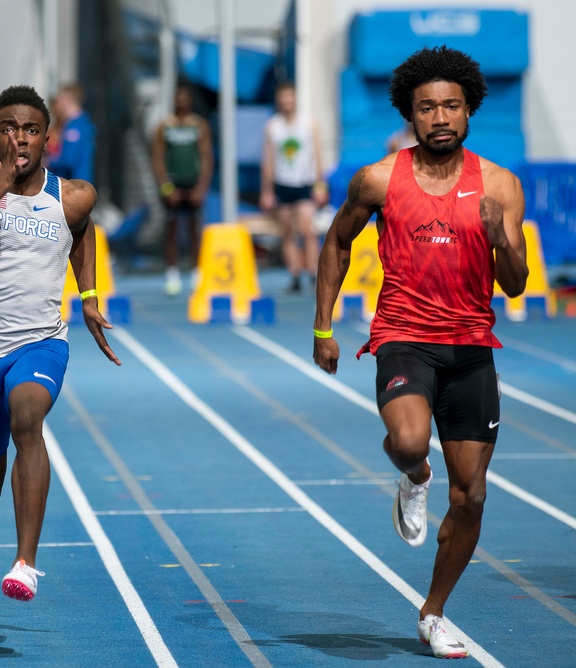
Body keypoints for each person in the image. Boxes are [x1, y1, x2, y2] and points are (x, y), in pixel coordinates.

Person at [312, 46, 527, 659]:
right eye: (427, 107)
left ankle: (433, 613)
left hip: (471, 349)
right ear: (410, 113)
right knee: (409, 442)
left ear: (469, 111)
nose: (440, 117)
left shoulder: (500, 186)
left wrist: (498, 239)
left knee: (473, 496)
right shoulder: (379, 178)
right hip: (404, 337)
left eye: (451, 106)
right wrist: (324, 326)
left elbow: (515, 281)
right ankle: (413, 475)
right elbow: (337, 242)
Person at [0, 85, 120, 601]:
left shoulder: (73, 195)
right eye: (9, 128)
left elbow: (79, 230)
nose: (20, 138)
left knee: (27, 418)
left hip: (39, 343)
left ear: (47, 138)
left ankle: (25, 563)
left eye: (31, 129)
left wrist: (87, 295)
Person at [260, 80, 329, 293]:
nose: (287, 102)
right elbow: (269, 159)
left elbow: (317, 154)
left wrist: (320, 185)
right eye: (283, 99)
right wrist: (267, 191)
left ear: (295, 99)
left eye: (290, 97)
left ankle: (313, 272)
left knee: (308, 229)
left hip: (304, 181)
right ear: (279, 102)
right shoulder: (273, 126)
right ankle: (295, 275)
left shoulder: (308, 123)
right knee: (287, 230)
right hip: (283, 182)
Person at [151, 82, 213, 295]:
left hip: (192, 182)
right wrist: (166, 188)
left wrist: (201, 187)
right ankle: (172, 272)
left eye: (185, 98)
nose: (182, 102)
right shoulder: (165, 126)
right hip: (173, 183)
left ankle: (197, 271)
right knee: (172, 228)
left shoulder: (199, 125)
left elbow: (206, 158)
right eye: (178, 98)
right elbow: (158, 159)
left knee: (195, 229)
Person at [46, 82, 96, 183]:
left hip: (74, 187)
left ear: (66, 101)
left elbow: (68, 160)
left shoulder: (74, 128)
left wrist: (46, 163)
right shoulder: (83, 124)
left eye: (59, 101)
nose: (57, 105)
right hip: (79, 186)